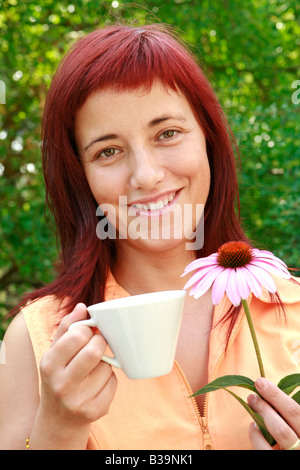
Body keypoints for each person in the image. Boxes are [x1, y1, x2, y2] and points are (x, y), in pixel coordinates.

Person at [0, 23, 299, 451]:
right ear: (80, 177)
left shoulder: (293, 307)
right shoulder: (36, 342)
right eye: (108, 151)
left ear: (209, 140)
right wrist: (58, 428)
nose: (146, 175)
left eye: (167, 133)